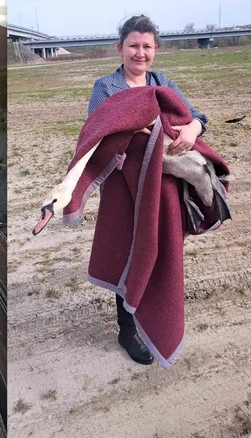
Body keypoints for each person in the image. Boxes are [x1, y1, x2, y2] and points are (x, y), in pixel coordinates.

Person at [87, 15, 209, 366]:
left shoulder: (162, 83)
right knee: (131, 253)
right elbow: (99, 135)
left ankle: (153, 318)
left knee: (160, 250)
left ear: (156, 49)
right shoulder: (106, 87)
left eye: (146, 46)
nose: (140, 53)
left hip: (163, 187)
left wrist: (192, 129)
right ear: (120, 48)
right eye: (133, 46)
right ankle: (128, 330)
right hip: (124, 190)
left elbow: (195, 115)